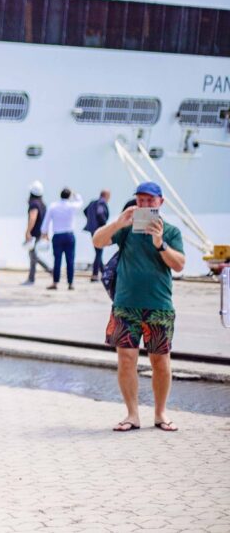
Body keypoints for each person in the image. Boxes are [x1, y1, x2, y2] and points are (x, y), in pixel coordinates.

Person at [92, 182, 185, 433]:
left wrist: (160, 243)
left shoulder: (172, 231)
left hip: (159, 306)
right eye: (140, 200)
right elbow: (98, 241)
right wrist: (118, 223)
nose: (144, 205)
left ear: (160, 203)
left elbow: (179, 265)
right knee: (126, 359)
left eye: (149, 201)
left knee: (160, 362)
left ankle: (160, 413)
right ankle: (132, 414)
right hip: (125, 306)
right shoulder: (127, 229)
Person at [41, 188, 83, 290]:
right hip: (69, 235)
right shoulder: (72, 206)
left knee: (57, 260)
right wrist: (75, 194)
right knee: (70, 260)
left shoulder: (53, 206)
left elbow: (46, 221)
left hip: (57, 236)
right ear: (69, 196)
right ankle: (70, 283)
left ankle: (55, 282)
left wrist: (44, 233)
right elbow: (80, 202)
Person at [22, 181, 49, 285]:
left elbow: (33, 217)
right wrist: (46, 233)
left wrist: (28, 231)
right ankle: (47, 270)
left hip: (34, 233)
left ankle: (33, 277)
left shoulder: (34, 204)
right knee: (33, 255)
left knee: (33, 256)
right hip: (41, 232)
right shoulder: (43, 204)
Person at [84, 189, 111, 282]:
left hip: (92, 229)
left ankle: (103, 272)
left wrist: (91, 220)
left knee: (98, 251)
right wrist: (104, 225)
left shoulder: (92, 202)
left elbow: (85, 211)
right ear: (106, 196)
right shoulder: (101, 202)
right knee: (99, 252)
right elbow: (100, 213)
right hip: (99, 230)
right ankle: (95, 274)